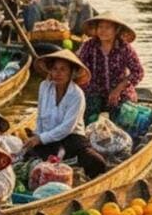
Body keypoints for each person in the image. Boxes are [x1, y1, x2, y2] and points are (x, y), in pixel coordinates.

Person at [22, 50, 107, 178]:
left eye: (63, 69)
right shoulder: (44, 87)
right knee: (29, 158)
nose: (58, 73)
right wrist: (37, 136)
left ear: (71, 72)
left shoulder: (76, 94)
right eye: (55, 69)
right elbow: (40, 117)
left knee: (96, 162)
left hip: (72, 139)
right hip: (49, 138)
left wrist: (41, 139)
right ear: (50, 71)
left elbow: (67, 127)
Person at [77, 13, 144, 123]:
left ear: (116, 30)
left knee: (123, 117)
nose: (103, 31)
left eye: (108, 28)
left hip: (120, 91)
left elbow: (138, 72)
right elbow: (79, 67)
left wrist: (118, 89)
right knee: (88, 116)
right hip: (94, 91)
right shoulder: (89, 45)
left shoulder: (124, 48)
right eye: (100, 27)